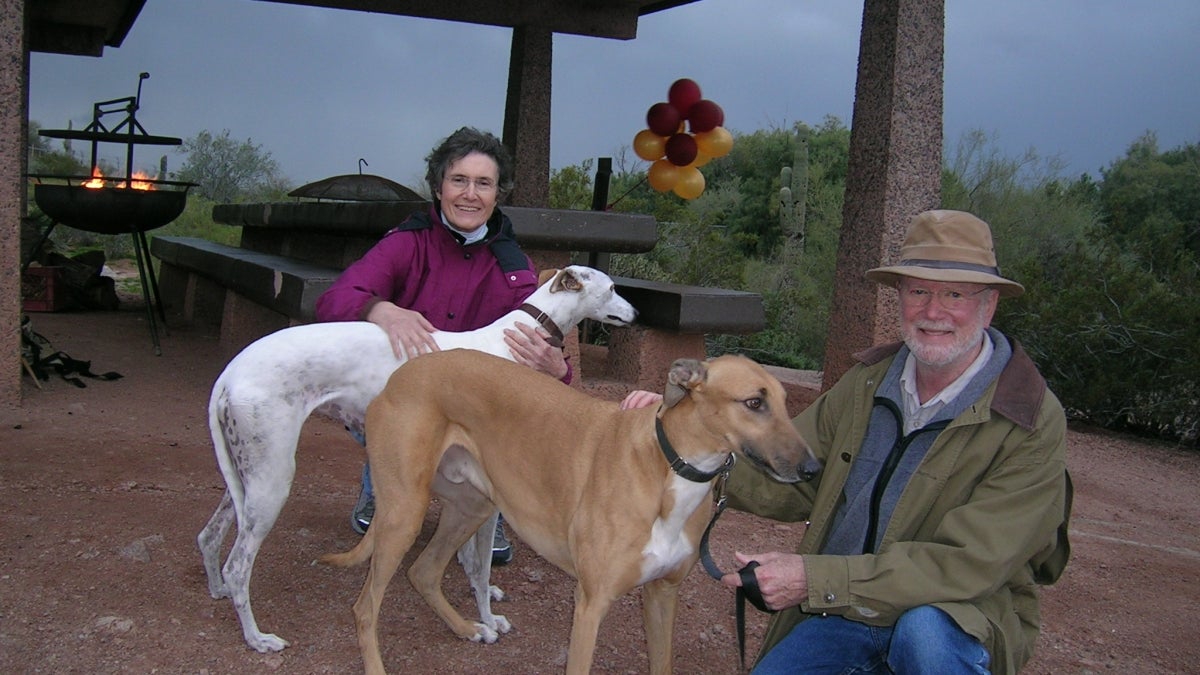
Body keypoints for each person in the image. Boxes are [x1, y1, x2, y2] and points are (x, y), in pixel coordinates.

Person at [621, 210, 1072, 674]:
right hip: (848, 613)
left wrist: (813, 579)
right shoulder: (868, 382)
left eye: (954, 294)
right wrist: (687, 439)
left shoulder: (1029, 418)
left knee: (924, 634)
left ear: (988, 304)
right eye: (918, 291)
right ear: (899, 297)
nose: (933, 312)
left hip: (958, 617)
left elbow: (969, 565)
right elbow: (797, 475)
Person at [314, 127, 570, 565]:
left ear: (497, 195)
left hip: (473, 411)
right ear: (438, 186)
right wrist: (381, 310)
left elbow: (545, 356)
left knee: (514, 413)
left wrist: (557, 368)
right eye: (459, 180)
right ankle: (384, 480)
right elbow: (332, 300)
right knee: (394, 405)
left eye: (483, 183)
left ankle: (491, 501)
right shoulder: (406, 243)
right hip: (405, 401)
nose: (470, 195)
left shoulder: (515, 267)